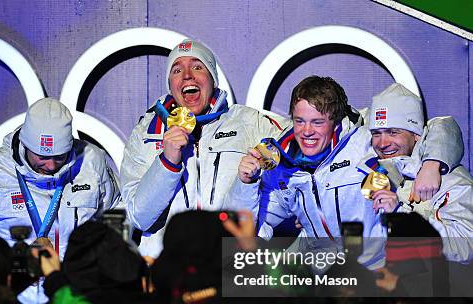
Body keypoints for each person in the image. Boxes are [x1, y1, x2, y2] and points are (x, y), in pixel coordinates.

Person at [225, 76, 463, 268]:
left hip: (375, 273)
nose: (306, 131)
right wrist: (245, 183)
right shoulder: (283, 163)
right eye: (299, 121)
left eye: (318, 122)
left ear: (336, 122)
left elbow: (438, 126)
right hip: (323, 278)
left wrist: (434, 162)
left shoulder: (365, 140)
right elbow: (246, 231)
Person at [120, 39, 286, 259]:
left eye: (197, 67)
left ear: (213, 80)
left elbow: (303, 153)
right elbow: (139, 217)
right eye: (177, 69)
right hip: (170, 268)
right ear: (170, 85)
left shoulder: (250, 122)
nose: (187, 75)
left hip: (233, 264)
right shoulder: (146, 132)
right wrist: (167, 162)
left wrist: (261, 222)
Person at [0, 97, 120, 259]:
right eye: (42, 157)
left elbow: (117, 213)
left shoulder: (91, 161)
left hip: (76, 293)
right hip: (12, 297)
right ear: (25, 145)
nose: (51, 166)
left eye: (60, 157)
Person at [358, 82, 472, 264]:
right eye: (376, 133)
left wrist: (402, 216)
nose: (382, 143)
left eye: (393, 132)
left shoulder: (451, 180)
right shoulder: (373, 172)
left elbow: (465, 248)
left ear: (416, 135)